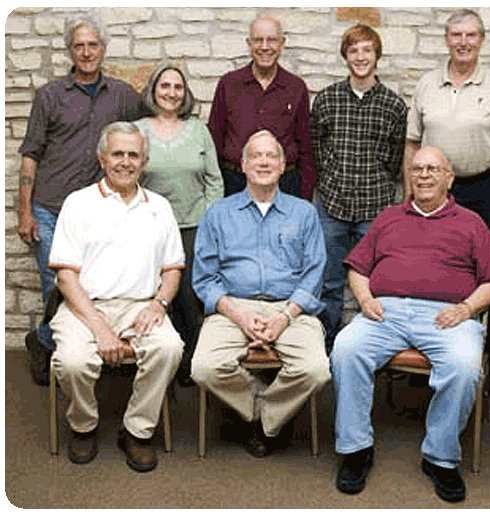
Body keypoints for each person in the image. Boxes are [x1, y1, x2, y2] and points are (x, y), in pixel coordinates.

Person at [331, 147, 490, 503]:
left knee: (463, 367)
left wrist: (466, 307)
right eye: (417, 169)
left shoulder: (471, 222)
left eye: (433, 169)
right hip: (386, 311)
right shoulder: (388, 218)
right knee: (345, 349)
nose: (424, 175)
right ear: (409, 178)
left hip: (447, 315)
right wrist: (365, 299)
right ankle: (355, 450)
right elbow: (357, 268)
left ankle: (441, 457)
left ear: (449, 178)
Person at [47, 122, 185, 473]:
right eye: (118, 154)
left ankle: (137, 431)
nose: (126, 162)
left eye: (133, 155)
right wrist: (100, 328)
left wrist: (159, 304)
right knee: (74, 362)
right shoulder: (78, 204)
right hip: (84, 306)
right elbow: (66, 276)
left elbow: (172, 270)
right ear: (102, 158)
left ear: (145, 160)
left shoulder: (160, 206)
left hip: (141, 305)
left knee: (169, 348)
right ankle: (84, 426)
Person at [191, 130, 330, 458]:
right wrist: (238, 315)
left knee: (316, 369)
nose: (264, 162)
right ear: (243, 165)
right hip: (233, 306)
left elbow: (314, 275)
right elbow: (204, 279)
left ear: (283, 166)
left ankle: (260, 419)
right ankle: (265, 411)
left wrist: (284, 317)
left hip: (290, 308)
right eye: (256, 156)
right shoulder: (217, 213)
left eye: (271, 156)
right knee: (204, 368)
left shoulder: (305, 213)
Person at [18, 16, 143, 362]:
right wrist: (26, 212)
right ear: (70, 51)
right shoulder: (50, 96)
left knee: (94, 286)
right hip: (51, 208)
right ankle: (52, 350)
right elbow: (30, 156)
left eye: (93, 45)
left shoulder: (122, 95)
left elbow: (148, 130)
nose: (86, 52)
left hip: (97, 214)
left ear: (103, 49)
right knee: (55, 285)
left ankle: (56, 344)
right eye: (79, 46)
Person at [405, 10, 490, 375]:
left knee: (485, 273)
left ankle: (479, 361)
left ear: (482, 40)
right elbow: (412, 144)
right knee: (431, 266)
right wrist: (410, 194)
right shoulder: (426, 84)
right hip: (433, 190)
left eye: (471, 35)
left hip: (485, 187)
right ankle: (432, 352)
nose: (463, 42)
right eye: (456, 35)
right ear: (447, 39)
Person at [310, 24, 408, 352]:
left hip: (374, 208)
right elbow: (317, 148)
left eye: (367, 50)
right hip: (332, 205)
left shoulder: (394, 106)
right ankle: (324, 349)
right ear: (345, 56)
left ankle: (373, 349)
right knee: (328, 283)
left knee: (377, 284)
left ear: (377, 55)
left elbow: (395, 160)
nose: (360, 57)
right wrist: (333, 179)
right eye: (354, 51)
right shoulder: (326, 99)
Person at [136, 65, 224, 385]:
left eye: (178, 87)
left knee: (189, 297)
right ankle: (157, 360)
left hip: (193, 226)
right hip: (149, 228)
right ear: (153, 90)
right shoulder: (137, 130)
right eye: (165, 86)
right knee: (153, 292)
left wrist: (209, 221)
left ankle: (190, 364)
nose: (171, 92)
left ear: (185, 93)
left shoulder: (199, 130)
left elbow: (214, 180)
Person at [208, 14, 314, 199]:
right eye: (258, 40)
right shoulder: (229, 84)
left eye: (271, 40)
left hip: (285, 185)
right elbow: (214, 142)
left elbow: (305, 149)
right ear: (249, 44)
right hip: (234, 183)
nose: (265, 47)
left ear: (282, 44)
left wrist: (304, 200)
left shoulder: (296, 87)